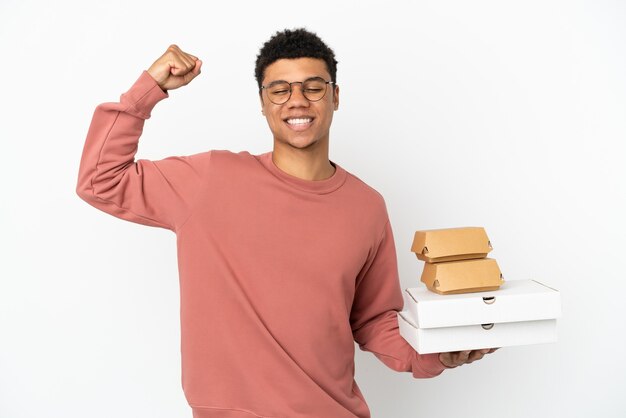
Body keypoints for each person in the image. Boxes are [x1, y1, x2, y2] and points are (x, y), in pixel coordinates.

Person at [76, 28, 495, 418]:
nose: (297, 100)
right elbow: (100, 180)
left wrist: (437, 354)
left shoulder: (366, 206)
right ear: (262, 103)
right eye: (280, 90)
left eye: (313, 87)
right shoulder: (210, 180)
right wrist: (150, 88)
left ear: (335, 97)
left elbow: (373, 321)